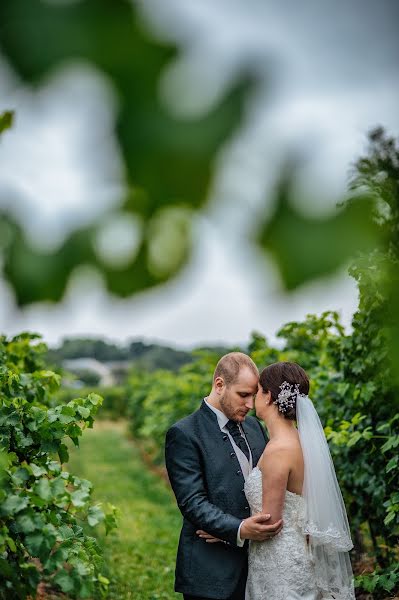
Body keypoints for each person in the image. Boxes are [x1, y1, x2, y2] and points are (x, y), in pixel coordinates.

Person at [165, 352, 283, 600]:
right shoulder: (184, 434)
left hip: (259, 569)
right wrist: (238, 528)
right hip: (209, 571)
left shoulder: (254, 427)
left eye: (253, 395)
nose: (250, 405)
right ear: (219, 385)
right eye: (243, 395)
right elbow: (192, 502)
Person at [243, 361, 355, 600]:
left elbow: (269, 523)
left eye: (257, 391)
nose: (253, 399)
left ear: (269, 396)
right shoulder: (300, 440)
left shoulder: (278, 450)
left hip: (278, 565)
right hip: (300, 555)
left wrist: (231, 529)